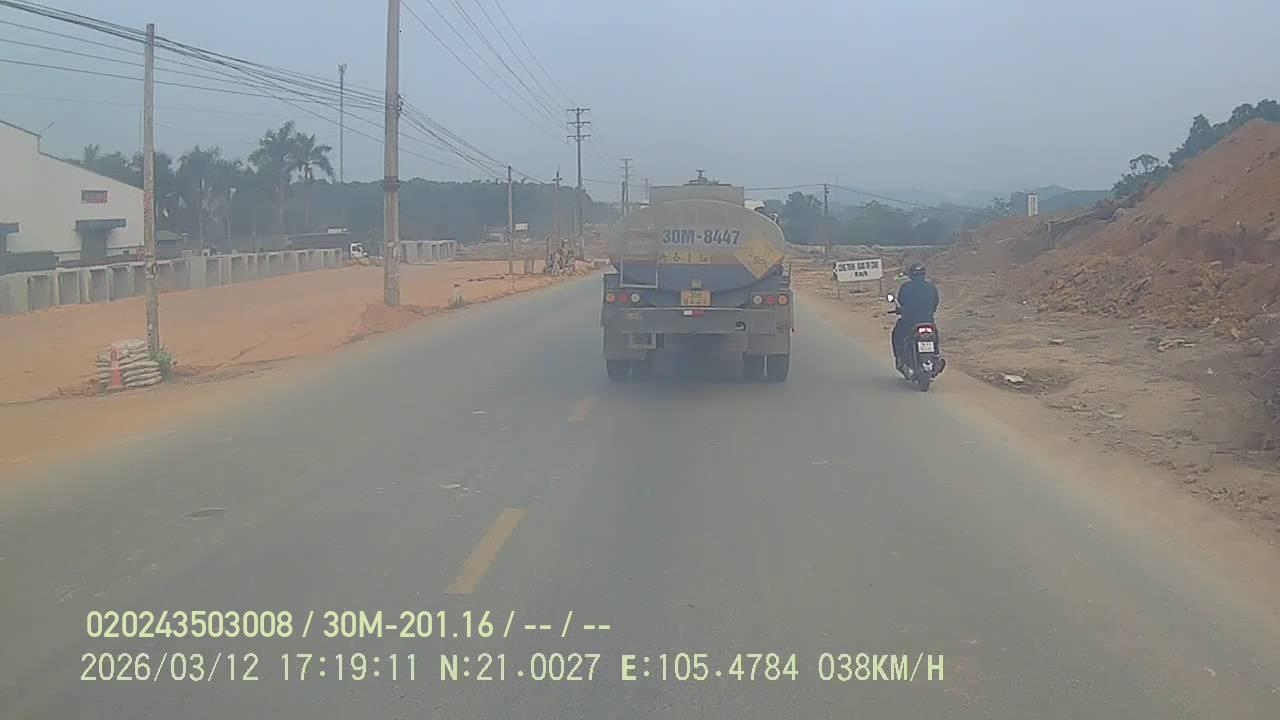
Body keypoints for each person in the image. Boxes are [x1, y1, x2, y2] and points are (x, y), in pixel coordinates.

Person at [892, 261, 940, 369]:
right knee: (935, 335)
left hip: (909, 322)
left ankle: (899, 357)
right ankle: (936, 354)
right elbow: (935, 302)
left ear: (911, 274)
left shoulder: (906, 287)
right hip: (928, 320)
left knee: (897, 334)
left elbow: (901, 301)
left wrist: (901, 310)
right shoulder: (931, 287)